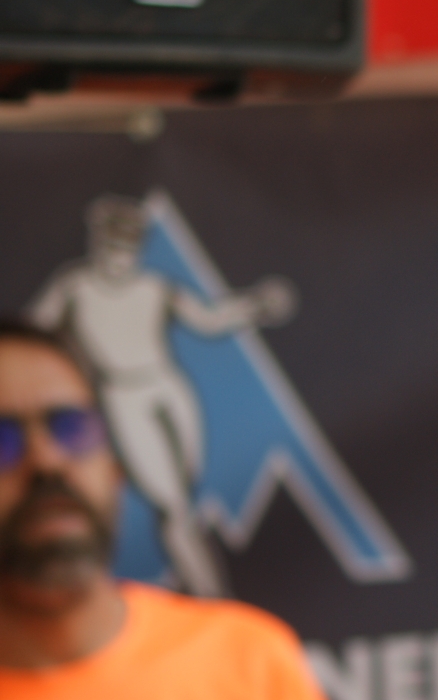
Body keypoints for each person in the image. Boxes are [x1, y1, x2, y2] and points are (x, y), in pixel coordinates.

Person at [0, 317, 359, 700]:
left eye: (71, 427)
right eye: (3, 440)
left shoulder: (245, 660)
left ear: (115, 465)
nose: (46, 461)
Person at [30, 195, 297, 596]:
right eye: (112, 248)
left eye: (128, 250)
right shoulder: (75, 287)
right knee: (172, 506)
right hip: (123, 397)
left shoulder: (153, 287)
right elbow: (30, 334)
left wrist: (255, 306)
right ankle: (212, 600)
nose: (119, 260)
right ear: (97, 245)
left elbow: (208, 320)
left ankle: (210, 602)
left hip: (170, 388)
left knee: (182, 500)